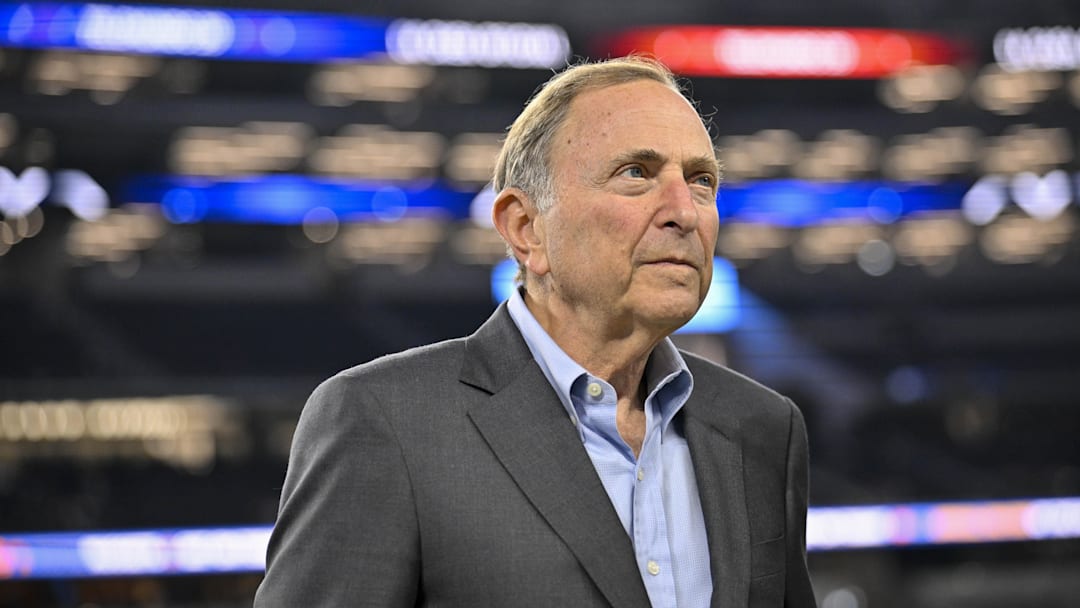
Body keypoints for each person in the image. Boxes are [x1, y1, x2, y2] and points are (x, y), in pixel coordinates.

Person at [255, 56, 816, 608]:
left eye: (701, 181)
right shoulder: (384, 421)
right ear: (526, 229)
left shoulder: (764, 428)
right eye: (636, 173)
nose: (685, 213)